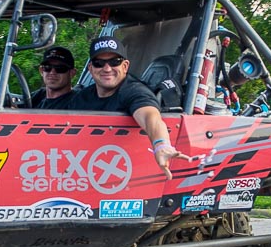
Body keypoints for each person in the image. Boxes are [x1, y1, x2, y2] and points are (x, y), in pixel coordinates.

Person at [68, 36, 188, 178]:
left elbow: (150, 116)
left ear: (125, 66)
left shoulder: (134, 91)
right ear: (90, 68)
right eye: (99, 63)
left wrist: (161, 145)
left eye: (115, 62)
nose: (107, 68)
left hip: (122, 173)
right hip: (81, 169)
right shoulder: (82, 97)